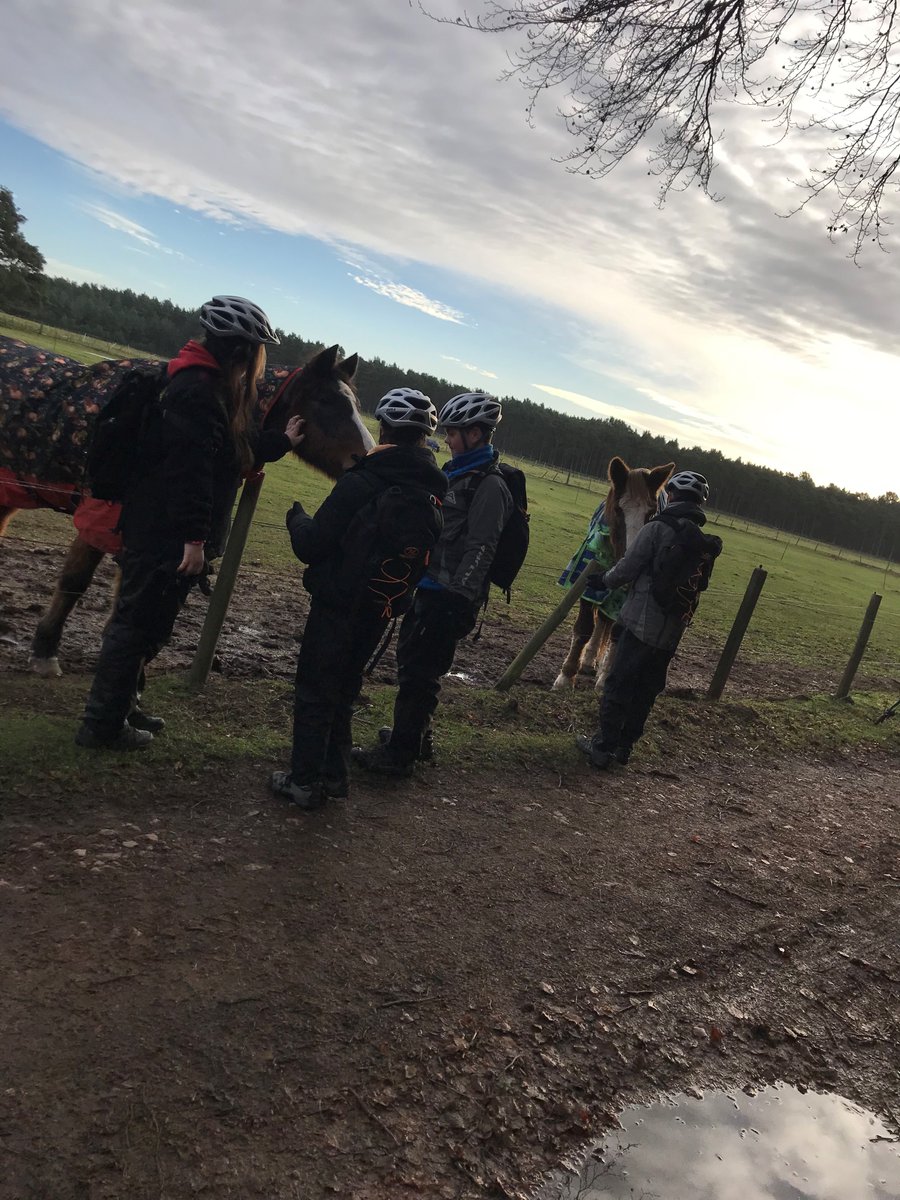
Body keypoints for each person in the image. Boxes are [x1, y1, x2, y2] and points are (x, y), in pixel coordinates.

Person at [75, 295, 298, 750]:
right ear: (242, 350)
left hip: (163, 530)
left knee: (151, 626)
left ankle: (123, 706)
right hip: (166, 536)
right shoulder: (196, 390)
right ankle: (101, 727)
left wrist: (280, 441)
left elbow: (226, 445)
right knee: (134, 626)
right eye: (257, 351)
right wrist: (193, 539)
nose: (259, 360)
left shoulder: (203, 384)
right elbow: (190, 471)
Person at [269, 388, 447, 810]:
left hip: (336, 606)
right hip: (380, 610)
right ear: (424, 438)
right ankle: (334, 777)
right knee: (346, 689)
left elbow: (311, 546)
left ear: (384, 428)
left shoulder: (362, 481)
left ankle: (304, 781)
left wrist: (296, 517)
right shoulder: (433, 492)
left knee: (314, 690)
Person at [354, 391, 513, 777]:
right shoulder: (457, 472)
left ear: (475, 434)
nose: (447, 438)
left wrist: (458, 599)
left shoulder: (489, 486)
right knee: (415, 666)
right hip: (427, 587)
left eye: (454, 432)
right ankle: (415, 737)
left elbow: (481, 547)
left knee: (419, 674)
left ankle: (399, 757)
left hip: (447, 596)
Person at [576, 470, 722, 769]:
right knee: (646, 690)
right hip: (672, 631)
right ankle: (624, 748)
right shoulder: (702, 542)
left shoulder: (658, 528)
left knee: (619, 682)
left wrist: (604, 580)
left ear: (673, 495)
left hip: (640, 623)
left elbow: (628, 567)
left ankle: (602, 746)